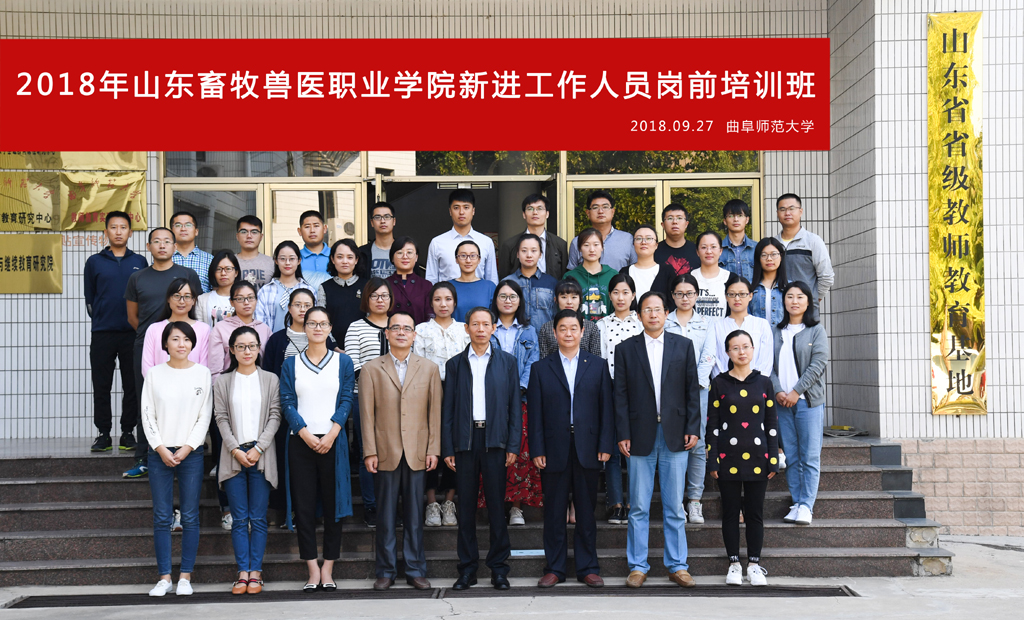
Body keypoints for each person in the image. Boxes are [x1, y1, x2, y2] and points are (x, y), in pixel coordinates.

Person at [613, 291, 700, 589]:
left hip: (676, 434)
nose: (652, 314)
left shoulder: (683, 345)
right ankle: (638, 566)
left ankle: (678, 565)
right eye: (647, 310)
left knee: (674, 505)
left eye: (658, 309)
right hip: (639, 434)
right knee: (638, 505)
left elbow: (692, 390)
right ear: (639, 315)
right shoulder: (626, 349)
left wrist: (693, 427)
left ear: (666, 313)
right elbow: (620, 395)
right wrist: (623, 433)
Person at [528, 309, 615, 588]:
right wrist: (537, 448)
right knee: (554, 512)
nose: (568, 333)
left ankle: (587, 567)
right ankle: (554, 568)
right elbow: (535, 414)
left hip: (588, 447)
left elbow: (606, 408)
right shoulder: (541, 368)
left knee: (586, 512)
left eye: (573, 328)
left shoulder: (598, 365)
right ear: (554, 333)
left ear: (582, 331)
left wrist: (605, 443)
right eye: (562, 328)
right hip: (553, 448)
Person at [359, 311, 443, 591]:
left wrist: (433, 449)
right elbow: (366, 415)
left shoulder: (429, 368)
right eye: (395, 328)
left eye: (407, 328)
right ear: (387, 333)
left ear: (414, 335)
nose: (401, 333)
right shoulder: (372, 369)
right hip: (385, 450)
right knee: (385, 516)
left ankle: (415, 569)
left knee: (415, 516)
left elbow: (434, 413)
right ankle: (385, 571)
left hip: (418, 451)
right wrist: (370, 451)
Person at [441, 307, 521, 591]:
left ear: (493, 328)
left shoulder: (507, 362)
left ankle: (499, 568)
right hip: (465, 441)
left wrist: (513, 444)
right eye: (475, 324)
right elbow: (448, 410)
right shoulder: (455, 364)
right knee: (466, 508)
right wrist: (447, 447)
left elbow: (514, 407)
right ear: (467, 328)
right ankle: (467, 569)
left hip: (495, 440)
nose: (480, 329)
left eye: (486, 324)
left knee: (497, 507)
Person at [279, 307, 355, 592]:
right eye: (312, 323)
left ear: (330, 327)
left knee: (334, 507)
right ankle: (312, 568)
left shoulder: (342, 361)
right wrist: (304, 432)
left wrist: (333, 432)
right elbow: (287, 401)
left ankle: (328, 568)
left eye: (323, 323)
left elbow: (346, 399)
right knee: (304, 507)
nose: (318, 328)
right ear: (305, 327)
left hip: (333, 441)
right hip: (301, 442)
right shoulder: (291, 363)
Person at [122, 227, 203, 478]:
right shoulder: (137, 277)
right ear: (149, 247)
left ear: (174, 246)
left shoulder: (187, 274)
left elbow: (195, 306)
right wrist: (155, 336)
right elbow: (132, 316)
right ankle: (143, 456)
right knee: (146, 400)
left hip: (183, 344)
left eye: (167, 241)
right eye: (156, 241)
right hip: (149, 344)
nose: (162, 245)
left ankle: (188, 450)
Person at [141, 322, 212, 597]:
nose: (181, 344)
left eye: (186, 339)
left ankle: (185, 576)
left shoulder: (202, 373)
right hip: (159, 452)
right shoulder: (155, 374)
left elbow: (204, 415)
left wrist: (188, 446)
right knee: (162, 516)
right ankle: (164, 577)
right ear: (165, 344)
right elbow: (147, 414)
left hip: (191, 453)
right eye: (175, 339)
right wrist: (160, 448)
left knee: (190, 515)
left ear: (193, 344)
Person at [707, 329, 780, 587]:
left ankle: (755, 565)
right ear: (727, 352)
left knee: (754, 513)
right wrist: (713, 458)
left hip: (758, 458)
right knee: (730, 513)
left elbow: (771, 424)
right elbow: (713, 425)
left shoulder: (764, 383)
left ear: (753, 349)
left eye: (746, 346)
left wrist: (773, 457)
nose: (741, 352)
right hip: (727, 458)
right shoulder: (719, 383)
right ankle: (734, 564)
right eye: (735, 348)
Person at [213, 326, 281, 595]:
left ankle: (256, 572)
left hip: (261, 455)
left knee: (259, 518)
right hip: (234, 456)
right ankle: (242, 572)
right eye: (240, 346)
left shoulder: (270, 379)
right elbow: (220, 418)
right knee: (240, 519)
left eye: (252, 346)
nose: (247, 351)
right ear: (232, 350)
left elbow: (275, 415)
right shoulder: (222, 381)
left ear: (258, 348)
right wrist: (235, 450)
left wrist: (259, 448)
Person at [261, 289, 337, 525]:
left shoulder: (326, 338)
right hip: (287, 411)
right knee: (288, 464)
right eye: (297, 304)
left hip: (320, 413)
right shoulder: (277, 340)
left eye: (307, 304)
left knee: (319, 466)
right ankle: (288, 512)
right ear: (289, 308)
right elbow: (269, 375)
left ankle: (316, 512)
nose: (303, 309)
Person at [84, 210, 147, 452]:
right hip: (103, 333)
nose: (118, 232)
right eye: (113, 227)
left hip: (133, 333)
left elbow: (143, 297)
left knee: (132, 385)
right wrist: (103, 319)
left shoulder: (140, 261)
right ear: (106, 232)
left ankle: (127, 432)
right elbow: (90, 300)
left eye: (123, 227)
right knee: (101, 385)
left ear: (130, 232)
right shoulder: (94, 262)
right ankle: (103, 433)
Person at [771, 280, 830, 526]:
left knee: (810, 456)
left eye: (800, 297)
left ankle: (807, 505)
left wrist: (796, 391)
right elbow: (768, 365)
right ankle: (796, 502)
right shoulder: (776, 331)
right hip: (782, 403)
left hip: (808, 402)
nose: (794, 301)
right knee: (792, 456)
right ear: (783, 301)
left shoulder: (816, 330)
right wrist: (778, 391)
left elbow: (818, 364)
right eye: (790, 297)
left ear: (808, 302)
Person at [664, 273, 718, 525]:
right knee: (672, 442)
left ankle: (694, 500)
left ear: (697, 295)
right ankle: (675, 502)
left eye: (689, 294)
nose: (684, 298)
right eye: (679, 294)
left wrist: (694, 384)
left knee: (697, 442)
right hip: (668, 392)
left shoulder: (707, 323)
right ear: (672, 296)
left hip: (699, 390)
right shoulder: (664, 322)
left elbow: (709, 356)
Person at [414, 281, 468, 527]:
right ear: (430, 303)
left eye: (448, 299)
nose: (443, 304)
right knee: (430, 445)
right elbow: (417, 364)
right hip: (428, 391)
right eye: (437, 299)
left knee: (454, 446)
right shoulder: (421, 330)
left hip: (459, 392)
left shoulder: (464, 330)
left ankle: (449, 501)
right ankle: (431, 502)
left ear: (455, 302)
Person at [489, 280, 541, 526]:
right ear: (495, 300)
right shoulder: (488, 327)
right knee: (493, 452)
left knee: (519, 454)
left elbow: (533, 361)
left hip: (521, 398)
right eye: (503, 296)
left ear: (520, 301)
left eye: (513, 296)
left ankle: (517, 508)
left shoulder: (529, 330)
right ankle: (494, 504)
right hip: (490, 400)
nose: (508, 300)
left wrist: (519, 387)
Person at [344, 278, 394, 528]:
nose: (380, 300)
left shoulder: (399, 324)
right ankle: (371, 507)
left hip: (397, 400)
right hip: (363, 397)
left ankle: (391, 506)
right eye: (374, 296)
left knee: (394, 453)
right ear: (366, 299)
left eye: (384, 295)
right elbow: (353, 364)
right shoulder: (356, 327)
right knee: (369, 451)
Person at [595, 274, 643, 524]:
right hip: (610, 388)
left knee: (635, 447)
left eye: (625, 292)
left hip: (639, 391)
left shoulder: (642, 323)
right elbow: (599, 361)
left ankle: (634, 502)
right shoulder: (601, 325)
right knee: (613, 446)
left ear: (633, 295)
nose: (621, 297)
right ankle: (615, 502)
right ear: (609, 295)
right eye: (615, 292)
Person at [775, 193, 834, 318]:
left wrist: (812, 298)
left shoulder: (813, 241)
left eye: (792, 208)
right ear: (777, 213)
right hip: (777, 311)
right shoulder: (773, 244)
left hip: (806, 312)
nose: (787, 213)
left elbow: (826, 276)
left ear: (800, 211)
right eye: (782, 209)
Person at [141, 278, 212, 378]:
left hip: (193, 385)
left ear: (193, 300)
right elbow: (147, 367)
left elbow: (204, 366)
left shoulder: (204, 329)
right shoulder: (153, 329)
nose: (181, 301)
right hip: (160, 385)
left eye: (187, 296)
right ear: (168, 299)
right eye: (177, 296)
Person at [426, 189, 498, 284]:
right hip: (447, 293)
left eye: (466, 207)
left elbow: (492, 280)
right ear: (450, 211)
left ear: (473, 211)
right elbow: (431, 281)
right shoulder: (437, 243)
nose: (461, 212)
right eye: (456, 208)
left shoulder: (486, 242)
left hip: (479, 293)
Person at [709, 274, 774, 380]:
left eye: (742, 294)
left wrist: (756, 382)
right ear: (726, 297)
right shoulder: (716, 327)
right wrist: (724, 382)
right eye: (732, 294)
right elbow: (715, 361)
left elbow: (766, 360)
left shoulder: (762, 324)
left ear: (750, 296)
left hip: (757, 384)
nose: (737, 298)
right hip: (724, 384)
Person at [209, 281, 273, 383]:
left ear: (256, 300)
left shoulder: (265, 329)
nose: (246, 302)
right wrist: (218, 388)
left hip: (259, 384)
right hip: (229, 385)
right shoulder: (220, 328)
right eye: (240, 299)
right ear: (231, 302)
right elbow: (215, 368)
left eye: (250, 297)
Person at [497, 194, 569, 279]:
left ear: (547, 214)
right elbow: (504, 279)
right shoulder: (509, 245)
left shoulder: (560, 244)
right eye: (530, 209)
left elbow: (564, 278)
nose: (535, 212)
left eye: (540, 208)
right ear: (524, 214)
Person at [255, 240, 317, 333]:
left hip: (303, 340)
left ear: (299, 261)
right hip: (272, 341)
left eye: (292, 259)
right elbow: (260, 323)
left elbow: (314, 320)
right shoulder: (265, 291)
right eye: (283, 259)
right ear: (276, 261)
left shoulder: (309, 290)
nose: (287, 263)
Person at [567, 191, 637, 271]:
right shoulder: (577, 241)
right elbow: (572, 275)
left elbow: (636, 270)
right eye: (595, 207)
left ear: (613, 212)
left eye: (605, 207)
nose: (600, 211)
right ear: (588, 213)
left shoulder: (627, 239)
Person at [316, 238, 366, 347]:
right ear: (332, 259)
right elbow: (321, 321)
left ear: (356, 260)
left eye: (350, 257)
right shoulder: (324, 288)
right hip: (331, 348)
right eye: (339, 257)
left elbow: (371, 319)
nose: (345, 261)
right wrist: (333, 346)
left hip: (363, 346)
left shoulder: (367, 286)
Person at [502, 233, 558, 328]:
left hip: (544, 336)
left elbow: (556, 314)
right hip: (515, 335)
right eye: (524, 251)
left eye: (534, 251)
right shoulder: (507, 282)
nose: (529, 255)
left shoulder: (551, 283)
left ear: (540, 254)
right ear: (517, 254)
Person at [537, 278, 602, 359]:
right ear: (556, 300)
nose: (569, 302)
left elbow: (596, 359)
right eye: (564, 297)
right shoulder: (546, 328)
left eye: (574, 297)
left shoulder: (591, 327)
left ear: (580, 300)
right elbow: (543, 360)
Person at [565, 228, 619, 322]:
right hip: (578, 328)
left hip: (608, 328)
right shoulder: (570, 277)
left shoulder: (613, 275)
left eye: (596, 245)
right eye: (586, 245)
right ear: (579, 248)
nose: (592, 249)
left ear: (602, 247)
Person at [386, 236, 433, 325]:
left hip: (419, 333)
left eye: (409, 252)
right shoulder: (384, 285)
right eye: (400, 253)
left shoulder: (426, 286)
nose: (405, 256)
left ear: (416, 257)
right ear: (392, 258)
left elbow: (430, 317)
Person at [447, 240, 497, 323]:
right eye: (463, 255)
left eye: (473, 256)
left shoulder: (489, 287)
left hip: (481, 331)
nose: (468, 260)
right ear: (456, 259)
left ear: (479, 259)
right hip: (453, 331)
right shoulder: (447, 286)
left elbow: (495, 318)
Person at [620, 224, 674, 298]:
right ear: (633, 244)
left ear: (656, 245)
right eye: (639, 238)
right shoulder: (624, 272)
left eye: (649, 238)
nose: (643, 242)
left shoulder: (667, 272)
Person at [169, 211, 214, 293]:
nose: (183, 229)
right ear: (171, 232)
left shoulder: (210, 260)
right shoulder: (164, 259)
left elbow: (216, 291)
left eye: (188, 225)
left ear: (196, 231)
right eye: (178, 225)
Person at [691, 231, 730, 320]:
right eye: (704, 247)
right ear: (697, 252)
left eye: (713, 247)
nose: (709, 251)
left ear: (720, 251)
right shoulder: (689, 278)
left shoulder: (730, 278)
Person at [196, 250, 241, 326]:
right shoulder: (202, 300)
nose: (223, 273)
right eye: (218, 269)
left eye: (228, 269)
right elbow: (199, 329)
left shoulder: (244, 299)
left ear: (236, 272)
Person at [750, 238, 788, 325]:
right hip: (755, 333)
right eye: (764, 255)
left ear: (781, 256)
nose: (769, 259)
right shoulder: (748, 286)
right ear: (758, 258)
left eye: (774, 254)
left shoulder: (789, 287)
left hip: (782, 333)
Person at [654, 203, 699, 276]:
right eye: (670, 218)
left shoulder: (698, 252)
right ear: (663, 225)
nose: (675, 222)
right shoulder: (654, 251)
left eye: (679, 218)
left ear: (686, 224)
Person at [719, 199, 757, 282]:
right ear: (725, 221)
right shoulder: (717, 249)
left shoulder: (757, 248)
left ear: (747, 220)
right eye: (731, 216)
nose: (736, 219)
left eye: (740, 215)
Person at [359, 202, 398, 279]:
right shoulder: (362, 252)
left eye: (387, 217)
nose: (382, 221)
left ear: (394, 221)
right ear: (372, 222)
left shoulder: (405, 250)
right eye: (377, 217)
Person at [235, 215, 274, 289]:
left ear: (261, 237)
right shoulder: (229, 262)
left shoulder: (272, 263)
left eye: (254, 232)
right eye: (244, 232)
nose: (249, 236)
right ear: (237, 236)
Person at [297, 210, 331, 286]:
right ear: (300, 231)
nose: (312, 230)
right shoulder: (295, 258)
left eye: (316, 226)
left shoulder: (336, 256)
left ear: (324, 229)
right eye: (307, 227)